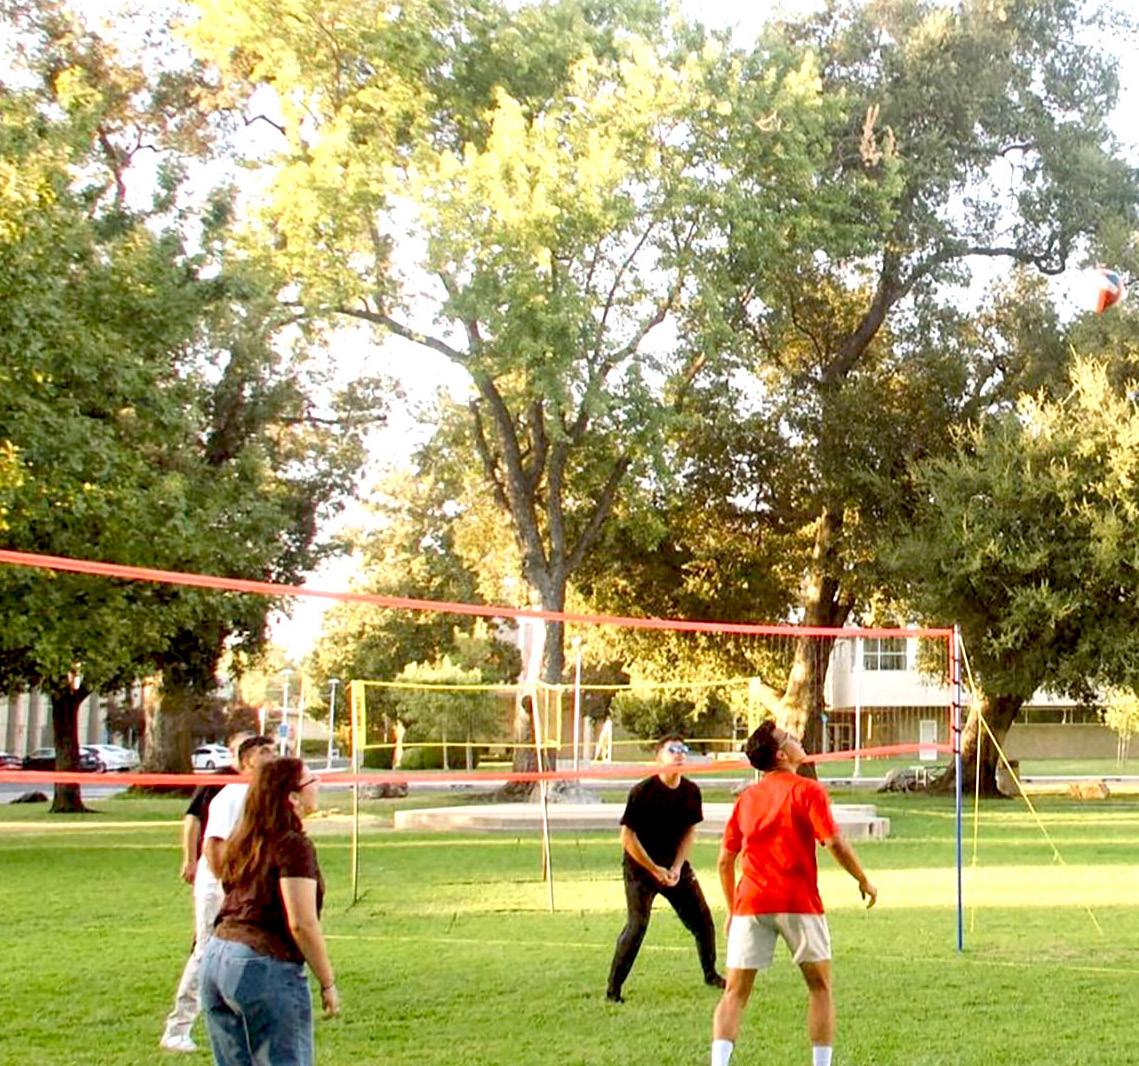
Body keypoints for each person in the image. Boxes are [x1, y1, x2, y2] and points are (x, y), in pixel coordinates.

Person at [710, 720, 878, 1066]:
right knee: (820, 988)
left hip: (751, 903)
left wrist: (732, 909)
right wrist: (863, 879)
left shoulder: (747, 799)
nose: (797, 739)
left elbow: (725, 861)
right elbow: (833, 842)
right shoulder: (808, 791)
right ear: (781, 755)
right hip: (798, 902)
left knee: (734, 993)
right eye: (788, 737)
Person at [200, 757, 340, 1065]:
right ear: (293, 797)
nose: (318, 785)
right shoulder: (292, 846)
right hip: (260, 963)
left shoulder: (245, 840)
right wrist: (327, 982)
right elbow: (301, 923)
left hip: (216, 959)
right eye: (311, 780)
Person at [606, 735, 723, 1002]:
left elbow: (689, 832)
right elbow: (627, 838)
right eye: (672, 750)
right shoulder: (642, 792)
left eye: (683, 749)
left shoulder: (691, 791)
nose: (679, 754)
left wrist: (677, 867)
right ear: (659, 757)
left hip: (673, 868)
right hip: (640, 869)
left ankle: (711, 974)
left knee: (703, 922)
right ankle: (613, 990)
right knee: (637, 927)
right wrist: (654, 869)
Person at [159, 731, 256, 1053]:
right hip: (218, 877)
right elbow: (198, 827)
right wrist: (192, 861)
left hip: (242, 877)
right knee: (206, 949)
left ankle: (241, 1020)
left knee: (244, 948)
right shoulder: (223, 786)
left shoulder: (259, 789)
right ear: (245, 758)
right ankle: (177, 1028)